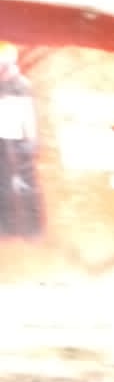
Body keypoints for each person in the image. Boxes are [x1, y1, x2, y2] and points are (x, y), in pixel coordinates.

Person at [0, 42, 43, 242]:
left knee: (26, 185)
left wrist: (32, 140)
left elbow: (28, 113)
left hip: (20, 141)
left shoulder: (21, 85)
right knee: (3, 185)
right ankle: (7, 227)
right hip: (3, 139)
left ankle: (33, 229)